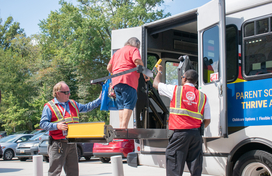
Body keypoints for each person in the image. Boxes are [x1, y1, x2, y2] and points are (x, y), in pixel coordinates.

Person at [153, 65, 211, 176]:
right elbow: (207, 120)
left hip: (179, 134)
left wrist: (159, 72)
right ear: (195, 81)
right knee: (196, 169)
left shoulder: (175, 90)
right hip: (196, 135)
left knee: (174, 166)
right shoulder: (203, 97)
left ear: (184, 78)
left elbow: (155, 84)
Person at [40, 81, 101, 176]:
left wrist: (100, 99)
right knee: (54, 172)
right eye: (66, 92)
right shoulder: (49, 106)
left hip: (72, 143)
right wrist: (57, 126)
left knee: (73, 173)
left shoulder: (72, 103)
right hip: (57, 144)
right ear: (58, 93)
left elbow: (87, 107)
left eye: (69, 91)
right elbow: (43, 124)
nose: (69, 94)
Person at [107, 37, 148, 129]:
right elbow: (137, 61)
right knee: (129, 104)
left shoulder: (117, 52)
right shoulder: (134, 49)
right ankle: (124, 128)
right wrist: (145, 72)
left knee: (121, 105)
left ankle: (121, 127)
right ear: (136, 45)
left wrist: (116, 73)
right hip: (128, 80)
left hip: (116, 82)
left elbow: (109, 67)